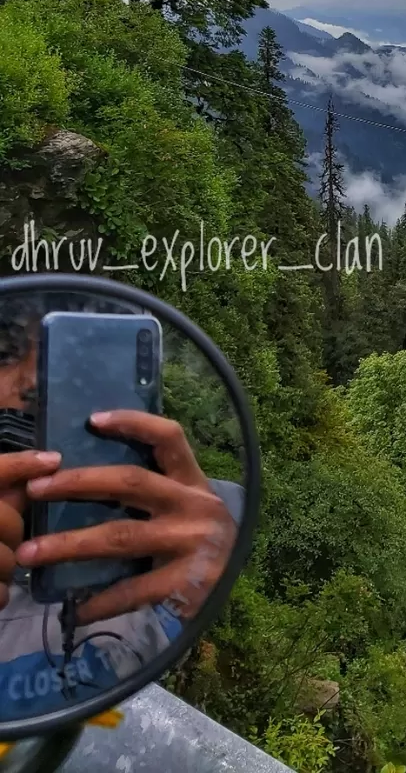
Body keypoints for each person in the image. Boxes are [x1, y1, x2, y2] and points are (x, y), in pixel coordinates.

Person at [0, 294, 242, 719]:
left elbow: (97, 671)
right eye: (5, 354)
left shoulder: (154, 545)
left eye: (75, 365)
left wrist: (179, 600)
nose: (36, 384)